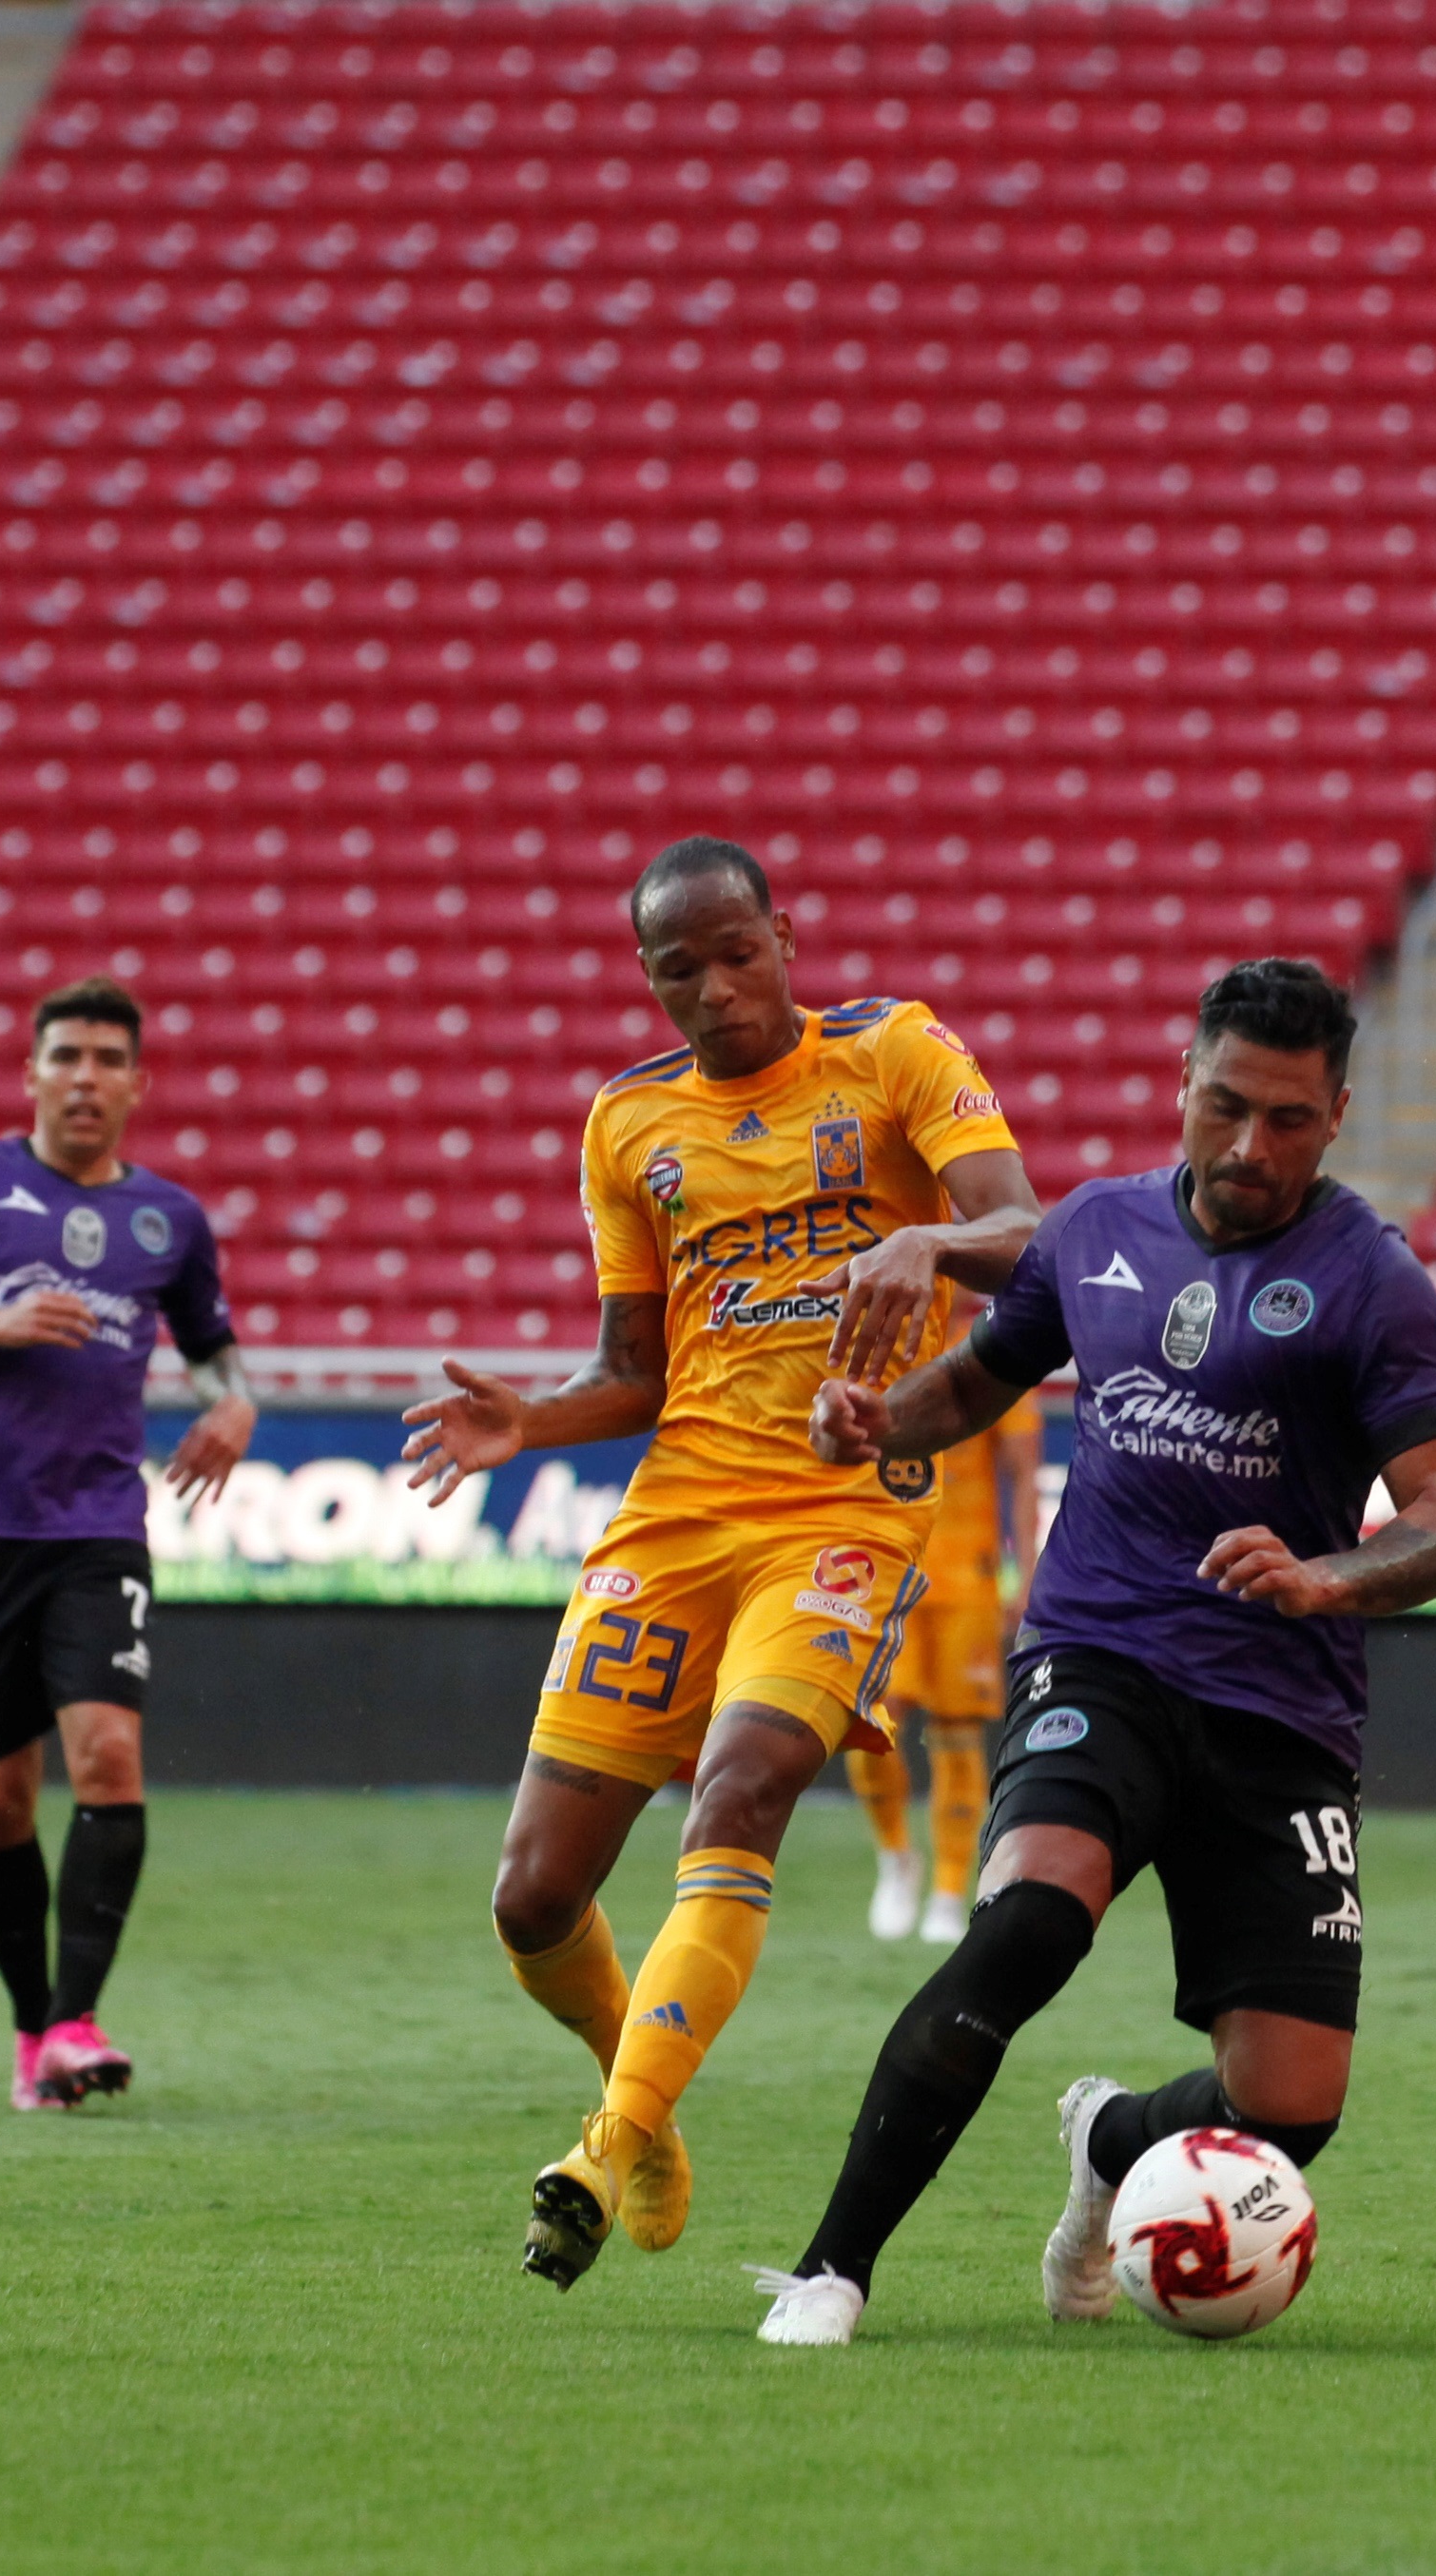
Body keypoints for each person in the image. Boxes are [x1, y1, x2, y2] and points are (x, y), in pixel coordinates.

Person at [747, 958, 1436, 2347]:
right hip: (1098, 1653)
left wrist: (1323, 1577)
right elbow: (977, 1378)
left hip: (1280, 1706)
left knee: (1286, 2112)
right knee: (1028, 1917)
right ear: (1182, 1088)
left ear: (1332, 1117)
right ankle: (829, 2270)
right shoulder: (1094, 1231)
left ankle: (1109, 2146)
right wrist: (878, 1421)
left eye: (1283, 1120)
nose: (1246, 1147)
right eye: (1224, 1107)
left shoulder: (1373, 1282)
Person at [398, 835, 1039, 2290]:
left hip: (843, 1504)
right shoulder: (627, 1123)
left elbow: (1034, 1237)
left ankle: (611, 2135)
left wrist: (928, 1244)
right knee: (531, 1896)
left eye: (734, 951)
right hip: (676, 1510)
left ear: (785, 937)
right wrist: (533, 1419)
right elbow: (634, 1368)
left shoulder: (892, 1052)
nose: (711, 987)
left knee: (742, 1784)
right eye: (674, 968)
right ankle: (645, 2096)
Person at [0, 977, 257, 2112]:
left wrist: (234, 1408)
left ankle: (78, 2020)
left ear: (137, 1083)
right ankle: (35, 2033)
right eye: (66, 1056)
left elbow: (217, 1353)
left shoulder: (169, 1220)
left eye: (107, 1059)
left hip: (96, 1531)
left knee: (110, 1758)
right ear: (29, 1074)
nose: (86, 1076)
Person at [848, 1322, 1042, 1947]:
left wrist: (1028, 1574)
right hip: (885, 1574)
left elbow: (1022, 1472)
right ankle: (896, 1858)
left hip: (968, 1578)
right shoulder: (877, 1344)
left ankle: (950, 1885)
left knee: (957, 1733)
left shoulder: (998, 1347)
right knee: (872, 1727)